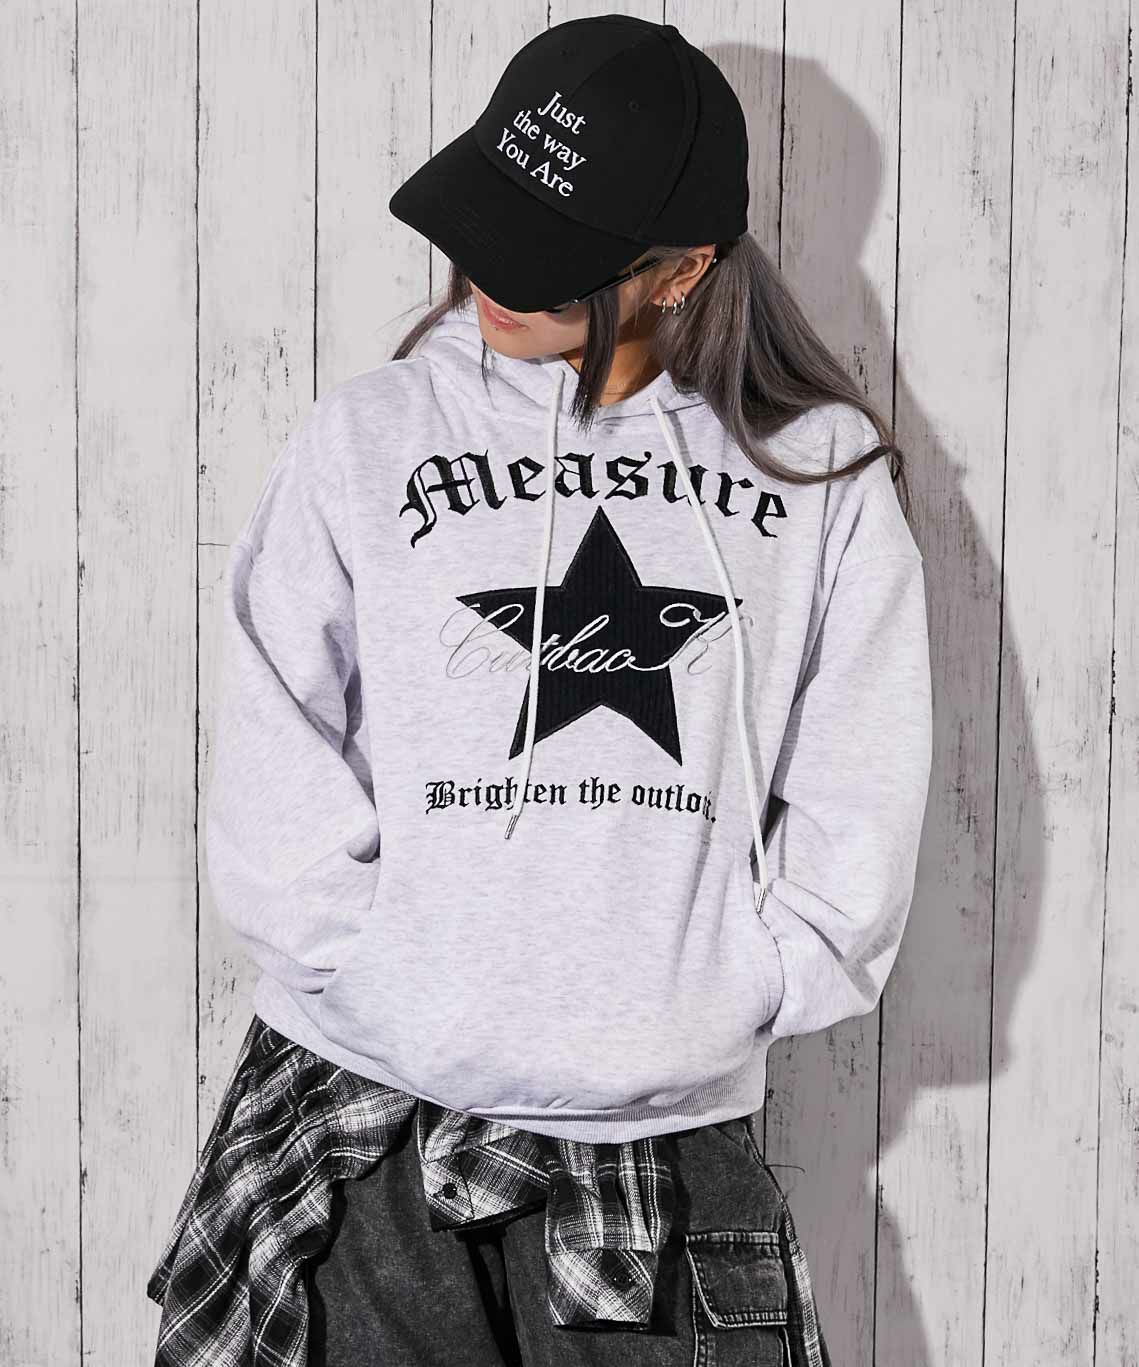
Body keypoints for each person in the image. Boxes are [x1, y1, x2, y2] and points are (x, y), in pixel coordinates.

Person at [147, 14, 932, 1367]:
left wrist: (741, 985)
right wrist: (364, 964)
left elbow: (862, 777)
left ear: (682, 270)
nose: (491, 281)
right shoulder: (369, 436)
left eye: (548, 263)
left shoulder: (816, 472)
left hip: (664, 1157)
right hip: (367, 1128)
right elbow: (277, 721)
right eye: (485, 227)